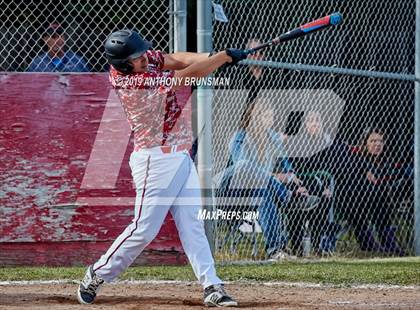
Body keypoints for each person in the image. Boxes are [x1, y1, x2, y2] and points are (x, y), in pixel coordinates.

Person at [76, 30, 248, 307]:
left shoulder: (142, 61)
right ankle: (97, 273)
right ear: (123, 64)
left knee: (192, 223)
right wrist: (222, 58)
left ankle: (212, 286)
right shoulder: (134, 81)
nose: (144, 58)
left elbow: (176, 59)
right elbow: (186, 76)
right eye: (136, 57)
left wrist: (212, 57)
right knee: (143, 229)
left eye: (142, 53)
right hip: (154, 161)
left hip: (180, 155)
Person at [216, 99, 313, 260]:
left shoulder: (272, 137)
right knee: (245, 164)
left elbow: (285, 163)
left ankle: (276, 251)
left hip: (258, 191)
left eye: (272, 116)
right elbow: (244, 170)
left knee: (263, 194)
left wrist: (291, 176)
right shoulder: (239, 137)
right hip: (233, 193)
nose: (271, 120)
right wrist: (276, 178)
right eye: (267, 116)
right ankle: (287, 196)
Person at [348, 127, 406, 255]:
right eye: (373, 141)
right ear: (365, 143)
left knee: (382, 191)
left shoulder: (385, 159)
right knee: (374, 190)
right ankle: (368, 241)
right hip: (355, 200)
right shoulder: (355, 156)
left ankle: (388, 241)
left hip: (378, 199)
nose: (377, 144)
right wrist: (364, 169)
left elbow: (397, 172)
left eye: (380, 141)